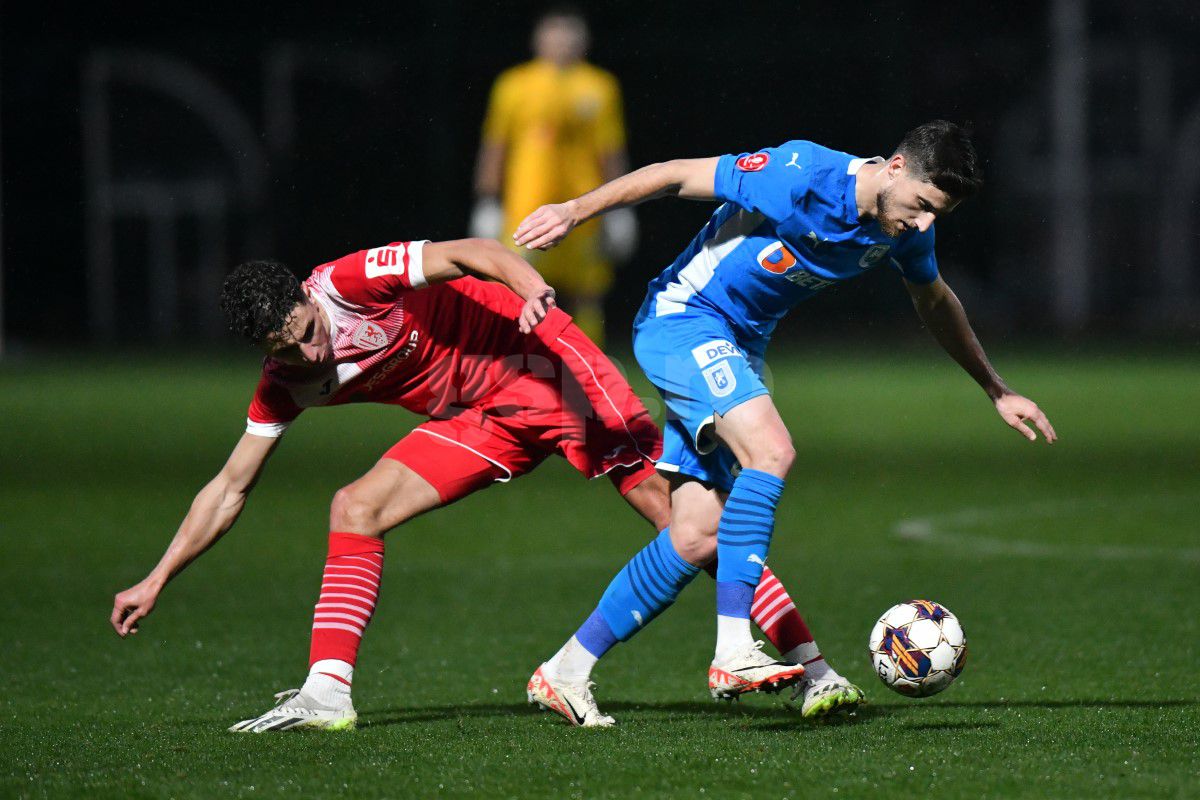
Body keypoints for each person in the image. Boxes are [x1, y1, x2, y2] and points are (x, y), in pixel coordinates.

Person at [109, 235, 849, 731]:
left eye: (308, 327)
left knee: (686, 520)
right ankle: (327, 691)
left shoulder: (347, 282)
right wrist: (158, 576)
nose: (313, 346)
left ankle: (810, 667)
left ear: (308, 296)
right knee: (355, 507)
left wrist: (530, 290)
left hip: (543, 364)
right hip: (485, 415)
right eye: (290, 346)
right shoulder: (287, 383)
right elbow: (229, 488)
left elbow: (476, 251)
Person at [515, 120, 1057, 720]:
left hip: (737, 347)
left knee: (695, 535)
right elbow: (675, 174)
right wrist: (574, 209)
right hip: (683, 320)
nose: (925, 223)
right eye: (924, 206)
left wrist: (995, 388)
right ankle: (734, 650)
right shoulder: (800, 174)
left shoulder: (902, 229)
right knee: (770, 450)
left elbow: (934, 300)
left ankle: (567, 670)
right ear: (896, 167)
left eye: (939, 215)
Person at [472, 6, 636, 346]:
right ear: (538, 39)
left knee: (585, 291)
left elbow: (610, 151)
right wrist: (487, 201)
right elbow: (495, 146)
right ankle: (513, 363)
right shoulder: (514, 84)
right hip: (524, 205)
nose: (563, 41)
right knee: (514, 286)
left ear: (584, 40)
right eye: (554, 32)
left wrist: (621, 209)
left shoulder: (600, 86)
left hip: (582, 208)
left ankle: (586, 364)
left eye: (570, 33)